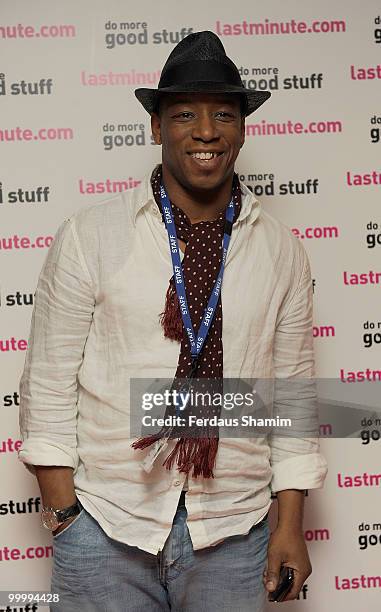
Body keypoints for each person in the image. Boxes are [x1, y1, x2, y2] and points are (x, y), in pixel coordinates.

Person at [18, 31, 328, 611]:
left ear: (241, 128)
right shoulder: (91, 235)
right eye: (185, 113)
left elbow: (291, 397)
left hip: (235, 533)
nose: (206, 131)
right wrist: (65, 515)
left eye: (224, 114)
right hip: (107, 527)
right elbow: (48, 382)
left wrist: (291, 525)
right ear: (157, 127)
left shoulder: (281, 251)